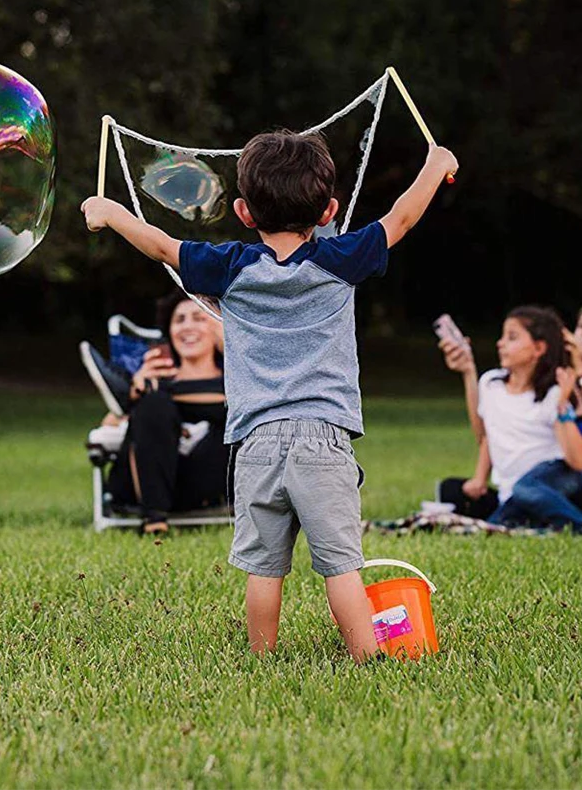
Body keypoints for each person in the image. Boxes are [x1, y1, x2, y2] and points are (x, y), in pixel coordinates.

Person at [83, 130, 458, 662]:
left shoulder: (230, 267)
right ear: (329, 209)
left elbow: (163, 246)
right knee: (341, 564)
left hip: (254, 443)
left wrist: (111, 212)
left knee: (263, 567)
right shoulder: (340, 259)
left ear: (243, 212)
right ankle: (365, 655)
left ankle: (261, 658)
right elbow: (401, 219)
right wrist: (434, 165)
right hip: (323, 441)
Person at [438, 300, 582, 528]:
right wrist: (469, 373)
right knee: (454, 490)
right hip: (534, 483)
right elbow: (491, 434)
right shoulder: (550, 384)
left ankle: (522, 517)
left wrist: (581, 378)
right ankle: (527, 514)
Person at [86, 292, 230, 535]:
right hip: (141, 483)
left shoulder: (239, 381)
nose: (188, 326)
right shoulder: (150, 380)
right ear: (170, 333)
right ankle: (155, 520)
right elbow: (105, 431)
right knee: (154, 405)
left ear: (218, 326)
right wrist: (136, 393)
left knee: (237, 412)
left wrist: (230, 349)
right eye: (180, 320)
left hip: (206, 482)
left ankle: (167, 396)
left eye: (198, 317)